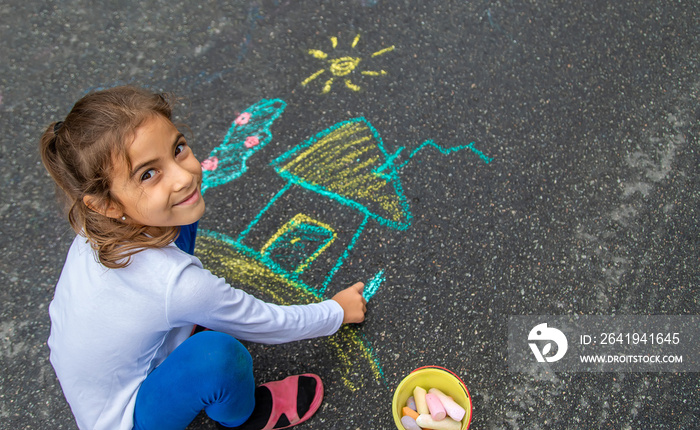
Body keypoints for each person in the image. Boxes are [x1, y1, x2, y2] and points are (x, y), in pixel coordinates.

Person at [39, 86, 367, 430]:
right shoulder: (174, 283)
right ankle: (242, 416)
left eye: (178, 149)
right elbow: (265, 322)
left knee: (182, 217)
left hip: (96, 373)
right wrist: (336, 312)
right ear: (105, 204)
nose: (185, 176)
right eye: (148, 174)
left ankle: (184, 331)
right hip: (125, 415)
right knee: (217, 356)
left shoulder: (95, 226)